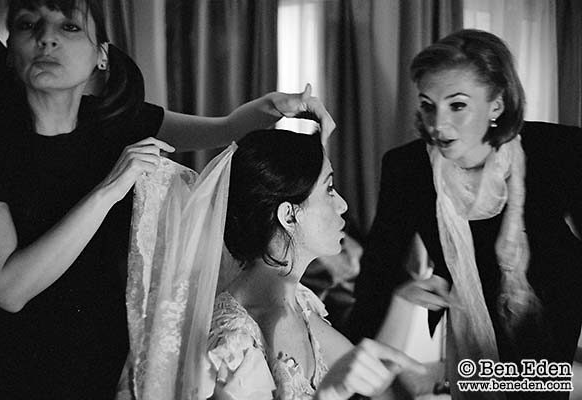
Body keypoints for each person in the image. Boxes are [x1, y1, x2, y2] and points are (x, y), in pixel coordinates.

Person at [0, 1, 335, 399]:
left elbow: (227, 128)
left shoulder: (117, 123)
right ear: (10, 49)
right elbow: (8, 289)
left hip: (108, 356)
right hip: (16, 366)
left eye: (68, 27)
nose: (46, 38)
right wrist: (108, 191)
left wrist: (278, 106)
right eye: (29, 25)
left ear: (102, 56)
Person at [347, 29, 582, 400]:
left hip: (553, 311)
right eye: (428, 105)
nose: (438, 125)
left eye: (457, 105)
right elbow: (378, 269)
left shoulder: (559, 149)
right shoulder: (407, 167)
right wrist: (347, 366)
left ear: (497, 105)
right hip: (466, 318)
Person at [119, 129, 425, 400]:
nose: (343, 204)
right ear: (288, 216)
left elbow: (372, 381)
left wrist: (403, 302)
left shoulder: (300, 303)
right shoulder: (234, 341)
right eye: (329, 189)